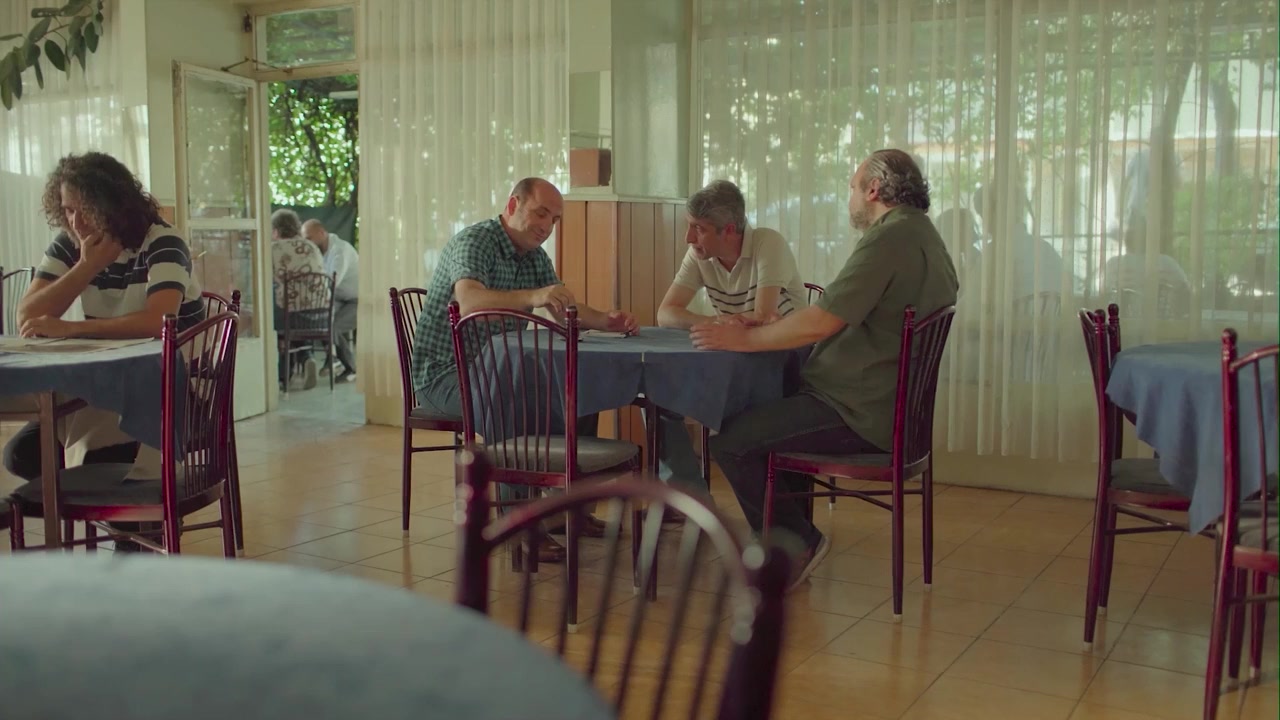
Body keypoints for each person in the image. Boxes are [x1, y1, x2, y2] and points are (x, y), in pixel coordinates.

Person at [690, 150, 959, 590]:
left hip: (857, 410)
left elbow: (822, 322)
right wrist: (769, 325)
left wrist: (743, 340)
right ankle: (781, 543)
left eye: (852, 187)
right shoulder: (923, 235)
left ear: (873, 189)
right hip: (888, 410)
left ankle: (797, 542)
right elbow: (836, 309)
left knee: (733, 442)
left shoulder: (888, 240)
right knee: (774, 413)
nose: (849, 197)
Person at [409, 177, 638, 562]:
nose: (547, 227)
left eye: (555, 220)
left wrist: (606, 320)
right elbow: (469, 302)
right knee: (513, 402)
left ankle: (571, 511)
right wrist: (535, 295)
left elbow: (563, 308)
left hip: (497, 374)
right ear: (513, 205)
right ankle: (519, 527)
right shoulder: (475, 242)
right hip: (445, 376)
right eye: (541, 213)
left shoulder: (534, 256)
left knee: (578, 391)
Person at [3, 151, 206, 549]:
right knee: (22, 454)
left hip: (173, 389)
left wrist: (68, 328)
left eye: (85, 210)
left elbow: (158, 321)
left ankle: (135, 539)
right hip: (104, 385)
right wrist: (87, 266)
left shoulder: (164, 240)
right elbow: (27, 314)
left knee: (106, 454)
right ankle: (130, 527)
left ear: (113, 204)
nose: (76, 222)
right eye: (68, 210)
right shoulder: (72, 244)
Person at [653, 179, 808, 495]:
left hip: (786, 361)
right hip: (730, 356)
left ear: (730, 230)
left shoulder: (767, 242)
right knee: (660, 396)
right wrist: (716, 321)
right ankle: (689, 498)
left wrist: (738, 324)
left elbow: (763, 316)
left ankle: (773, 502)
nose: (688, 238)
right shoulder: (699, 255)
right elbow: (665, 313)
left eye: (699, 228)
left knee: (739, 428)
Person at [270, 208, 324, 390]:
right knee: (291, 310)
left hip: (293, 315)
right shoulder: (311, 246)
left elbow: (265, 278)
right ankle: (306, 357)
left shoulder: (275, 249)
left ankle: (283, 375)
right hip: (321, 314)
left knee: (275, 312)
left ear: (276, 230)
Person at [303, 219, 359, 382]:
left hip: (359, 300)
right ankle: (332, 359)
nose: (307, 243)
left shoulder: (340, 251)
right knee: (318, 320)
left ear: (321, 233)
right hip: (340, 299)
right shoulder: (320, 251)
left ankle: (349, 367)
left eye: (309, 238)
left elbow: (332, 283)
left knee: (332, 326)